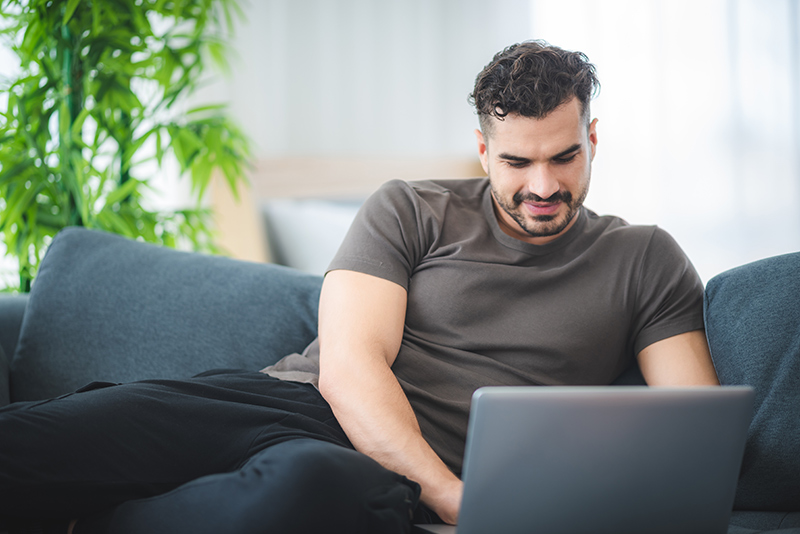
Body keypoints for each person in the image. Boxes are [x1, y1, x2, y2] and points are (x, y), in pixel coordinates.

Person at [0, 40, 718, 534]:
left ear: (593, 138)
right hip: (289, 400)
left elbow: (695, 437)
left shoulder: (644, 258)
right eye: (516, 162)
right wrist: (457, 503)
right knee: (34, 439)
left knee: (307, 491)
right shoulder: (410, 207)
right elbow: (347, 369)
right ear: (481, 150)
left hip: (372, 472)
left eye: (564, 157)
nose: (542, 186)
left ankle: (91, 520)